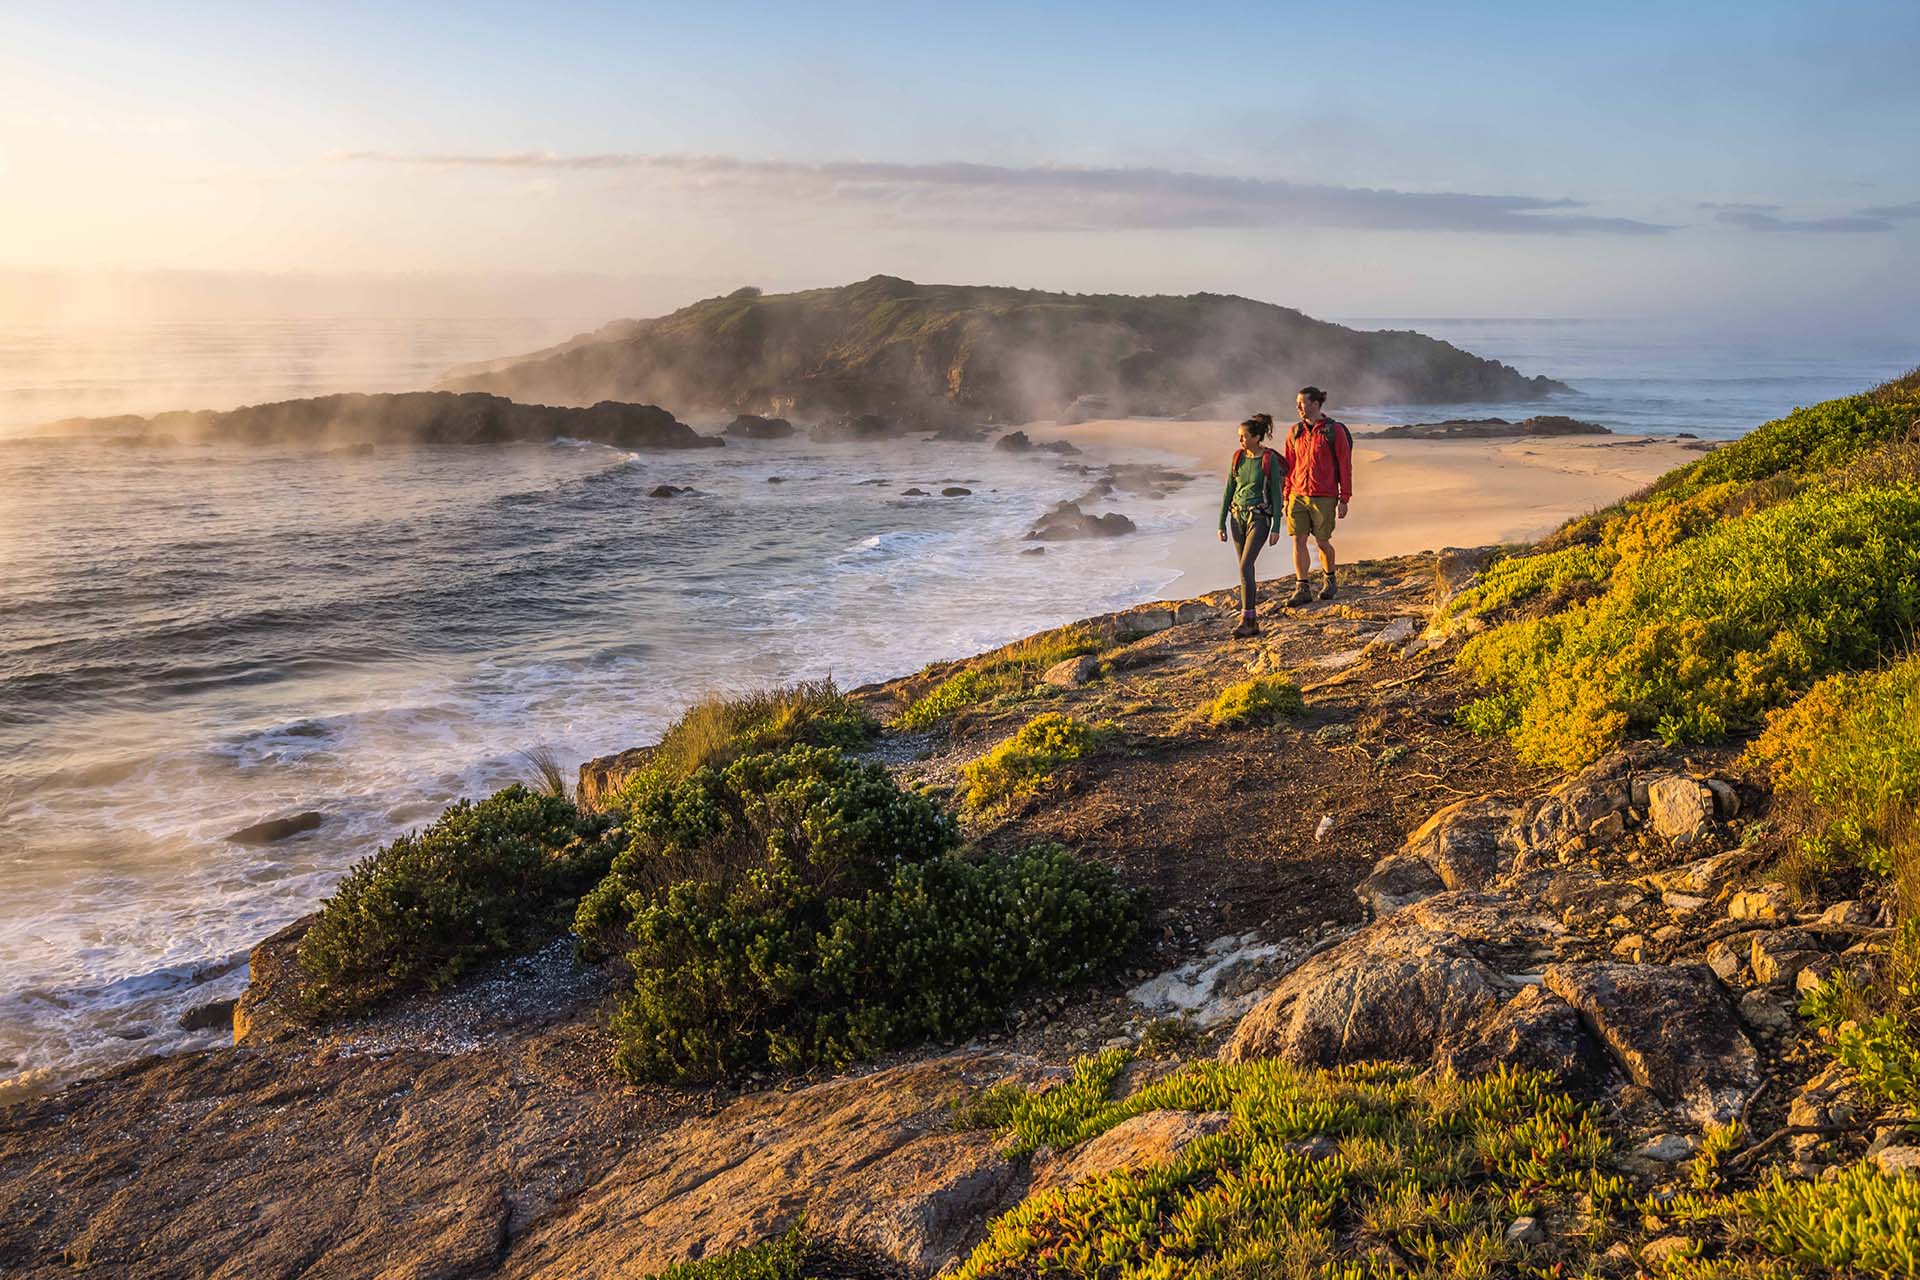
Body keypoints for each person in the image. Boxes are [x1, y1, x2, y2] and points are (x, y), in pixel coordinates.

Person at [1281, 386, 1353, 604]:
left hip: (1325, 495)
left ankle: (1330, 580)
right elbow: (1289, 466)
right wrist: (1286, 496)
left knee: (1322, 542)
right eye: (1297, 403)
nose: (1298, 407)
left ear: (1314, 404)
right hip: (1297, 494)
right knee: (1298, 541)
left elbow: (1345, 465)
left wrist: (1344, 498)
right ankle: (1302, 587)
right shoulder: (1295, 432)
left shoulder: (1334, 431)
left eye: (1301, 403)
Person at [1217, 413, 1283, 637]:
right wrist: (1221, 524)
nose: (1240, 441)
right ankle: (1250, 620)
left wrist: (1276, 527)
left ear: (1256, 437)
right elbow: (1228, 490)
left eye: (1244, 437)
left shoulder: (1268, 460)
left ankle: (1248, 619)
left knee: (1245, 566)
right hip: (1236, 518)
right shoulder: (1238, 458)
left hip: (1259, 519)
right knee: (1246, 570)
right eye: (1239, 437)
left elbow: (1276, 493)